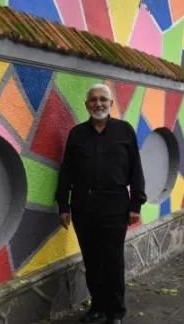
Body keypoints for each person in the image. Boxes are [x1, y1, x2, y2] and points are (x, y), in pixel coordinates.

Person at [56, 84, 147, 324]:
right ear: (87, 105)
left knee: (113, 260)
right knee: (91, 258)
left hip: (115, 204)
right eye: (93, 100)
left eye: (103, 99)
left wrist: (136, 204)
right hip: (83, 204)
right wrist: (63, 206)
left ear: (110, 104)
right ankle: (97, 307)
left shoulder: (124, 131)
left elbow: (136, 168)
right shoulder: (77, 134)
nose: (98, 104)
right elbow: (66, 172)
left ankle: (115, 312)